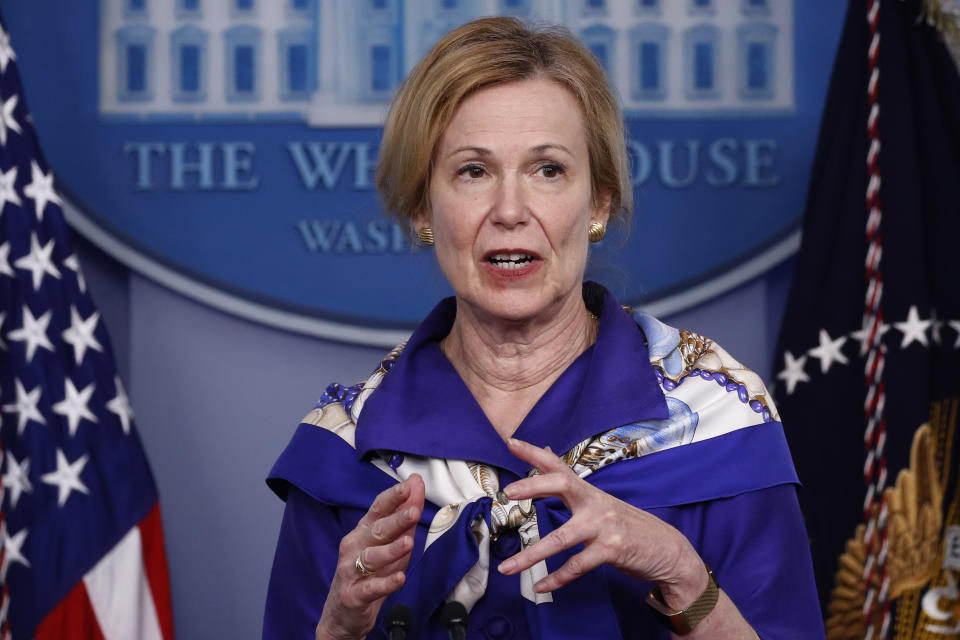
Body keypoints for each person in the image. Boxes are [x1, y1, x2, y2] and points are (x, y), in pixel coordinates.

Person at [264, 17, 824, 640]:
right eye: (473, 171)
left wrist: (683, 575)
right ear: (424, 207)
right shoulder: (345, 450)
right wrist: (338, 628)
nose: (509, 211)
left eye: (548, 170)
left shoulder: (717, 419)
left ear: (600, 203)